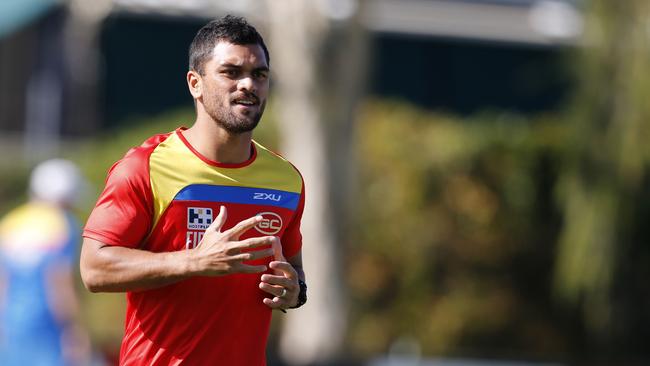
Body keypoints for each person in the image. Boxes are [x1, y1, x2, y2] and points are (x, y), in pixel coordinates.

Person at [80, 15, 308, 365]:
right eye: (231, 72)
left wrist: (293, 290)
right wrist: (195, 261)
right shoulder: (146, 167)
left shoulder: (286, 181)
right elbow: (94, 269)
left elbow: (293, 271)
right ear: (195, 84)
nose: (248, 84)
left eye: (259, 74)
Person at [0, 159, 91, 366]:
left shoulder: (10, 222)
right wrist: (74, 329)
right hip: (50, 328)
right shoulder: (63, 224)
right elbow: (60, 283)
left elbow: (3, 283)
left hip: (12, 327)